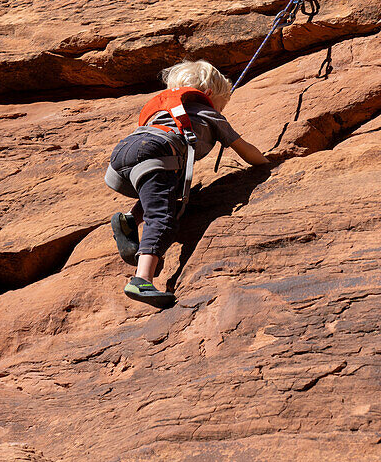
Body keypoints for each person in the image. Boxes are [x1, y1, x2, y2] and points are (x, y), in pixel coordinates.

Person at [105, 59, 269, 307]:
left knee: (163, 189)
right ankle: (141, 280)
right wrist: (268, 163)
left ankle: (130, 219)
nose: (220, 109)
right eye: (221, 104)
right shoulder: (207, 112)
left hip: (124, 153)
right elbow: (244, 149)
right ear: (210, 95)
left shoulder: (163, 111)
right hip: (156, 151)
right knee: (162, 216)